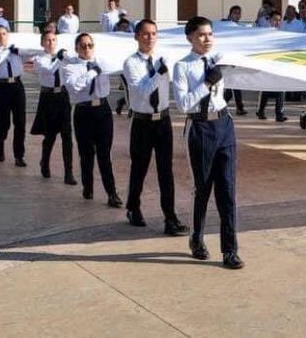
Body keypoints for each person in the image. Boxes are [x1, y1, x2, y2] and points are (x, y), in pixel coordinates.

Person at [173, 16, 242, 269]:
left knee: (227, 190)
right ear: (190, 37)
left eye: (210, 34)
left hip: (223, 125)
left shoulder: (218, 60)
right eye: (201, 35)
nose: (207, 39)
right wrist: (206, 83)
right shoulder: (182, 66)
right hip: (200, 127)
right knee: (202, 188)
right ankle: (197, 237)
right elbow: (183, 104)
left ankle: (230, 250)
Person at [122, 19, 188, 235]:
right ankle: (133, 207)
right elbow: (142, 90)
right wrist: (159, 72)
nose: (150, 38)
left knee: (165, 170)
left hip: (163, 121)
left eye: (153, 34)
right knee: (139, 168)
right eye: (145, 34)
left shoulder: (162, 59)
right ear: (136, 36)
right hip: (142, 122)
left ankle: (170, 218)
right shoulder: (131, 63)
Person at [63, 32, 123, 206]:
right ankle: (87, 186)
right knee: (86, 153)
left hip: (103, 110)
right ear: (76, 48)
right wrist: (91, 73)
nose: (87, 48)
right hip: (84, 112)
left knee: (104, 154)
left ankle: (111, 193)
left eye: (90, 45)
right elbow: (74, 86)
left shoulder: (101, 63)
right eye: (83, 46)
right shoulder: (70, 68)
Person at [0, 24, 40, 167]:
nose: (1, 37)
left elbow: (31, 53)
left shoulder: (15, 50)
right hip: (2, 87)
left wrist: (39, 49)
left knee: (20, 122)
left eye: (4, 34)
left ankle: (19, 155)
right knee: (4, 122)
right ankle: (1, 144)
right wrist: (8, 50)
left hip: (17, 86)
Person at [30, 27, 76, 185]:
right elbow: (49, 69)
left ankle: (68, 172)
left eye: (54, 40)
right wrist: (60, 59)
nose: (51, 43)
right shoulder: (39, 58)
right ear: (42, 43)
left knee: (67, 135)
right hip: (48, 97)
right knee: (50, 135)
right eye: (48, 40)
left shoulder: (63, 57)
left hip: (62, 95)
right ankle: (44, 161)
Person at [256, 12, 288, 122]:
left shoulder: (282, 34)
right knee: (266, 88)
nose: (277, 22)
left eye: (279, 20)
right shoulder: (265, 33)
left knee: (281, 88)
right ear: (269, 20)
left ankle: (279, 113)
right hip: (267, 63)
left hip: (279, 64)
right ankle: (261, 110)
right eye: (275, 20)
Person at [220, 5, 248, 115]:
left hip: (236, 59)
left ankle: (238, 107)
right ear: (230, 14)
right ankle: (224, 106)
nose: (237, 15)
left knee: (234, 84)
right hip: (226, 59)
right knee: (231, 85)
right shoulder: (224, 25)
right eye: (235, 13)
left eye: (238, 13)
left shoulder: (241, 27)